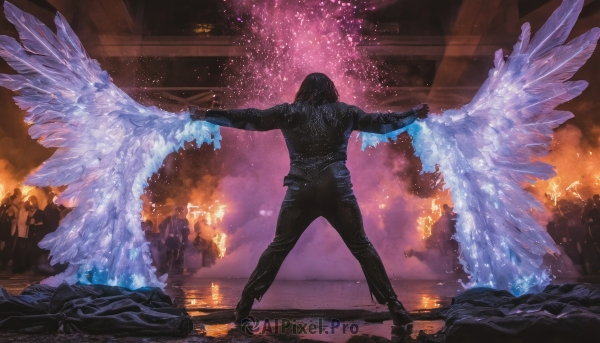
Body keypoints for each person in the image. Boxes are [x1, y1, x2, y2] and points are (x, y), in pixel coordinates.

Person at [191, 72, 428, 327]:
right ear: (332, 91)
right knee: (361, 245)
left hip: (300, 189)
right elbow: (382, 123)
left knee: (279, 246)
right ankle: (395, 306)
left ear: (302, 90)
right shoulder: (344, 112)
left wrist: (207, 114)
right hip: (336, 188)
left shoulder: (289, 112)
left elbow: (251, 117)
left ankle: (244, 305)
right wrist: (412, 113)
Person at [158, 206, 189, 275]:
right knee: (171, 253)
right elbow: (161, 226)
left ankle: (173, 268)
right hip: (173, 239)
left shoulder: (182, 220)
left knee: (176, 253)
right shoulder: (170, 220)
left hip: (176, 240)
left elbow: (186, 229)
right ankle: (171, 268)